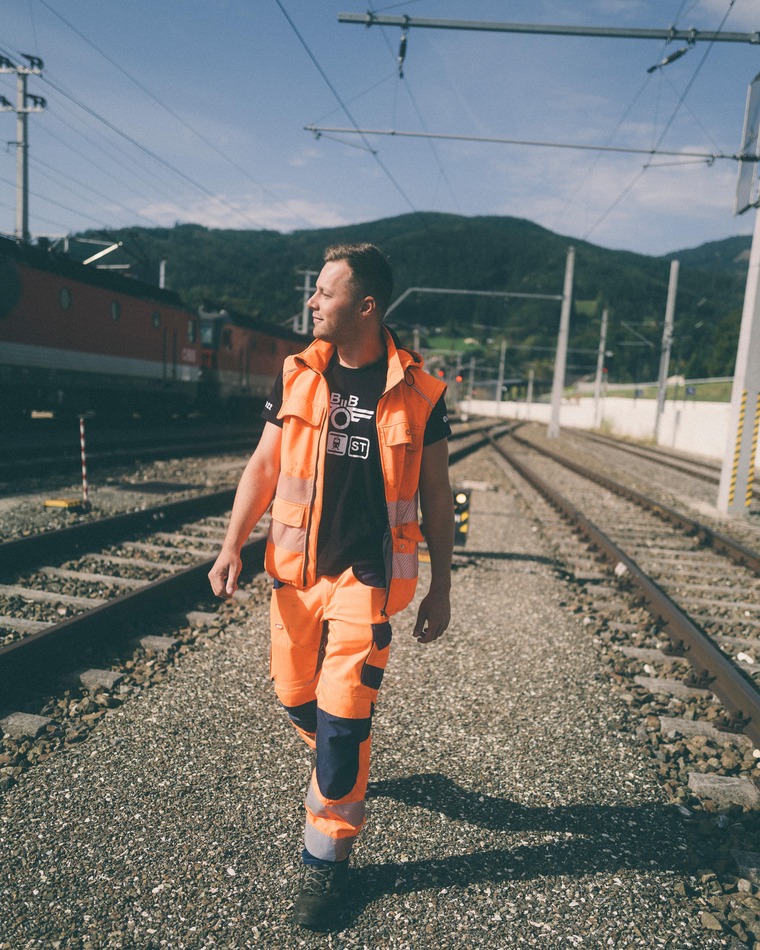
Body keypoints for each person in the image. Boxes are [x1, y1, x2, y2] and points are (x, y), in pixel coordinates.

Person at [208, 242, 454, 932]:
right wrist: (231, 545)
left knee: (343, 721)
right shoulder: (297, 374)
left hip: (366, 581)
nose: (312, 302)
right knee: (295, 697)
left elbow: (437, 496)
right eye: (315, 291)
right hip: (295, 574)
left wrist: (441, 586)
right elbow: (264, 465)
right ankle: (340, 758)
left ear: (366, 306)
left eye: (325, 292)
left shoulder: (422, 392)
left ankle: (326, 864)